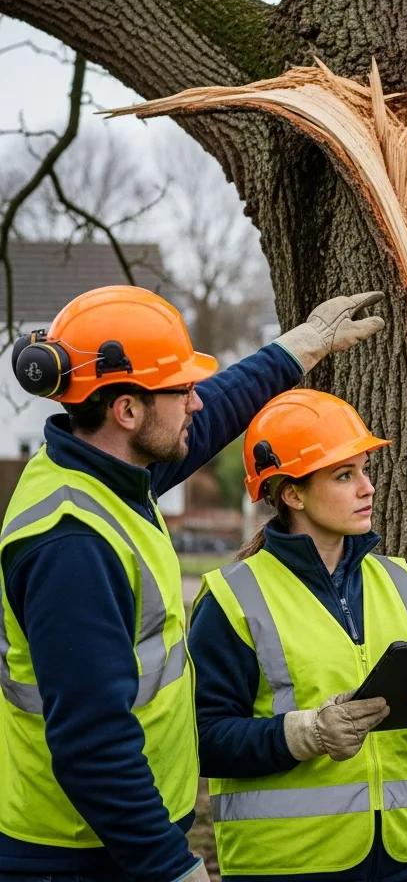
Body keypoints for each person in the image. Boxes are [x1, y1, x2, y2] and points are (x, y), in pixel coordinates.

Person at [0, 284, 385, 882]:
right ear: (127, 410)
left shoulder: (111, 473)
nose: (196, 403)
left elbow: (215, 412)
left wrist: (299, 349)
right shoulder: (73, 544)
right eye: (181, 390)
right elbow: (91, 746)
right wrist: (172, 868)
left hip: (115, 840)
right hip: (78, 852)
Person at [188, 388, 407, 881]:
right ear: (292, 493)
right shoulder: (232, 598)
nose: (367, 488)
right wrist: (308, 734)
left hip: (403, 859)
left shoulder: (400, 584)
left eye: (364, 471)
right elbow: (203, 741)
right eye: (345, 475)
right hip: (288, 863)